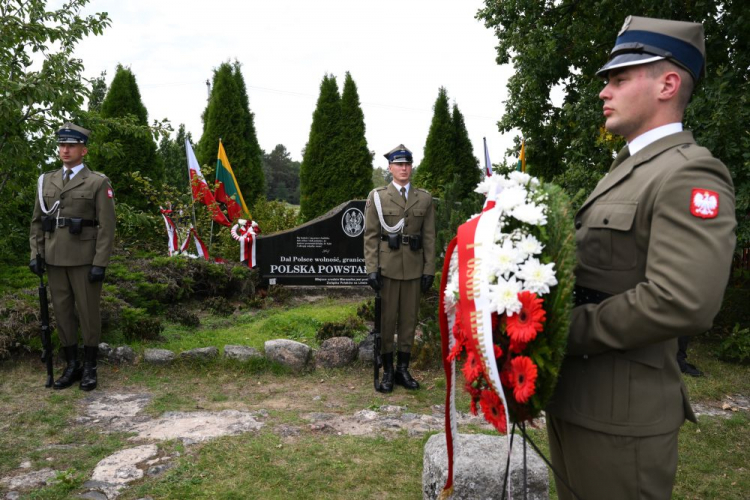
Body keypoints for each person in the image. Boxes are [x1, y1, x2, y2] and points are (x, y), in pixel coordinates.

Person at [545, 16, 736, 500]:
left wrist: (564, 329)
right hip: (578, 402)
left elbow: (682, 301)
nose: (603, 92)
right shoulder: (628, 169)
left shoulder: (689, 173)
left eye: (619, 79)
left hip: (622, 418)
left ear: (668, 83)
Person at [29, 123, 116, 391]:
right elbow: (37, 221)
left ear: (84, 150)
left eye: (71, 146)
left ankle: (90, 368)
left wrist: (100, 263)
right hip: (54, 259)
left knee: (88, 313)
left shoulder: (97, 182)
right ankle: (72, 365)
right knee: (63, 313)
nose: (65, 150)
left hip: (84, 259)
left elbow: (107, 226)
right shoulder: (47, 180)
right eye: (62, 145)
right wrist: (36, 253)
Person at [364, 144, 436, 392]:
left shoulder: (424, 198)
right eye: (399, 164)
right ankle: (388, 370)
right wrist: (371, 269)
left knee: (408, 321)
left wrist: (429, 270)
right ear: (390, 167)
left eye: (407, 164)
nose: (403, 168)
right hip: (388, 267)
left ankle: (403, 369)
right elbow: (371, 236)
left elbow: (429, 238)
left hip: (414, 269)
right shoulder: (378, 197)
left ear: (411, 167)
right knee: (386, 320)